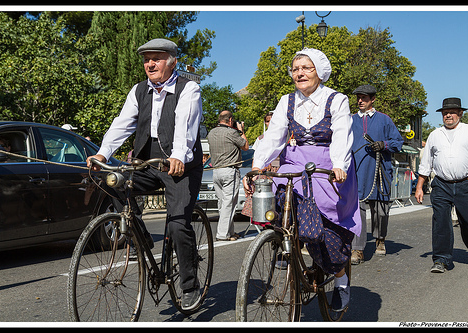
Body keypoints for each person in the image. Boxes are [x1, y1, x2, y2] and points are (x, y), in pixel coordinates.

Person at [86, 38, 204, 310]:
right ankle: (141, 234)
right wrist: (103, 154)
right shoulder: (139, 90)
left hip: (181, 165)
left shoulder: (189, 89)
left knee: (177, 224)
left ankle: (189, 285)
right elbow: (122, 124)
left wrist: (178, 156)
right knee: (112, 179)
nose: (150, 64)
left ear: (172, 61)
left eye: (157, 58)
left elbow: (185, 124)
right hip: (148, 162)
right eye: (146, 59)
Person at [245, 48, 361, 312]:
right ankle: (285, 244)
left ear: (319, 72)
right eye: (296, 69)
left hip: (327, 166)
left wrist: (340, 165)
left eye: (306, 68)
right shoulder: (286, 101)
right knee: (279, 201)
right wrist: (257, 165)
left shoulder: (336, 99)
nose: (300, 73)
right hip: (295, 164)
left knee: (328, 229)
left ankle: (340, 279)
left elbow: (342, 134)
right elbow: (273, 136)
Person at [415, 97, 468, 273]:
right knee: (440, 221)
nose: (448, 115)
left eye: (452, 112)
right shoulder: (435, 135)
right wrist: (419, 186)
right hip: (441, 184)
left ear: (460, 114)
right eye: (445, 113)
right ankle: (441, 259)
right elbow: (426, 163)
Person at [350, 84, 403, 264]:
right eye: (358, 97)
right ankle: (357, 249)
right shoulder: (349, 120)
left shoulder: (384, 120)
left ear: (372, 99)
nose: (360, 101)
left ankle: (380, 238)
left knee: (381, 212)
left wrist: (384, 145)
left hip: (379, 170)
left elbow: (398, 142)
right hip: (357, 173)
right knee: (358, 212)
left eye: (364, 98)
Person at [207, 110, 249, 241]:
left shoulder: (211, 133)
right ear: (230, 120)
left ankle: (230, 232)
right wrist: (241, 130)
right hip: (229, 171)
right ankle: (223, 234)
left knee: (223, 203)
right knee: (229, 203)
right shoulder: (232, 132)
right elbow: (246, 146)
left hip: (216, 171)